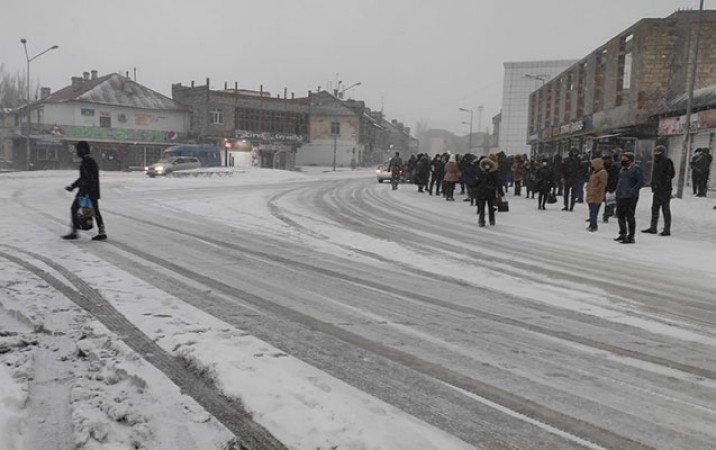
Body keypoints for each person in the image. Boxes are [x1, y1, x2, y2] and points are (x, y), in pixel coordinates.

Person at [63, 140, 106, 241]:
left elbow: (86, 178)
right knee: (95, 211)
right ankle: (101, 231)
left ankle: (75, 232)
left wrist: (81, 189)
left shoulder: (87, 161)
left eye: (78, 150)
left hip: (87, 191)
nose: (77, 152)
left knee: (76, 209)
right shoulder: (88, 160)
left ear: (82, 150)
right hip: (91, 190)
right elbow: (85, 177)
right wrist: (73, 186)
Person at [642, 145, 675, 236]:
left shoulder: (667, 161)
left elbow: (670, 174)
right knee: (654, 208)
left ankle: (667, 229)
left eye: (658, 152)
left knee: (665, 209)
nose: (655, 153)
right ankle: (653, 227)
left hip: (665, 189)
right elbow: (655, 175)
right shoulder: (657, 161)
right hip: (657, 189)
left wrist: (663, 184)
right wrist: (653, 184)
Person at [614, 152, 644, 244]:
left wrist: (632, 191)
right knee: (620, 215)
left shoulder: (636, 169)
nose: (623, 160)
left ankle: (631, 236)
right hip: (620, 195)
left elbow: (641, 182)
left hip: (630, 196)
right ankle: (622, 233)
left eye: (625, 158)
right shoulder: (622, 169)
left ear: (630, 160)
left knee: (629, 216)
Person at [475, 157, 502, 226]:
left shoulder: (480, 172)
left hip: (483, 192)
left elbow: (477, 182)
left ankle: (482, 221)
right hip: (490, 192)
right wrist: (500, 190)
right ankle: (491, 220)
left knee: (483, 207)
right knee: (490, 207)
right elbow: (498, 182)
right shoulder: (494, 172)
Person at [585, 157, 608, 232]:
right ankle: (592, 224)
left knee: (594, 211)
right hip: (591, 193)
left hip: (597, 195)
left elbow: (602, 184)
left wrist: (595, 190)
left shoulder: (602, 173)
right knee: (592, 210)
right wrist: (588, 187)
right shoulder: (594, 172)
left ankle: (594, 225)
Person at [602, 153, 620, 222]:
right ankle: (609, 213)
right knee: (608, 201)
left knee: (608, 201)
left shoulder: (613, 167)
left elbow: (615, 177)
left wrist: (613, 186)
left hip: (610, 186)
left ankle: (606, 215)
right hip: (605, 185)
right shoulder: (603, 166)